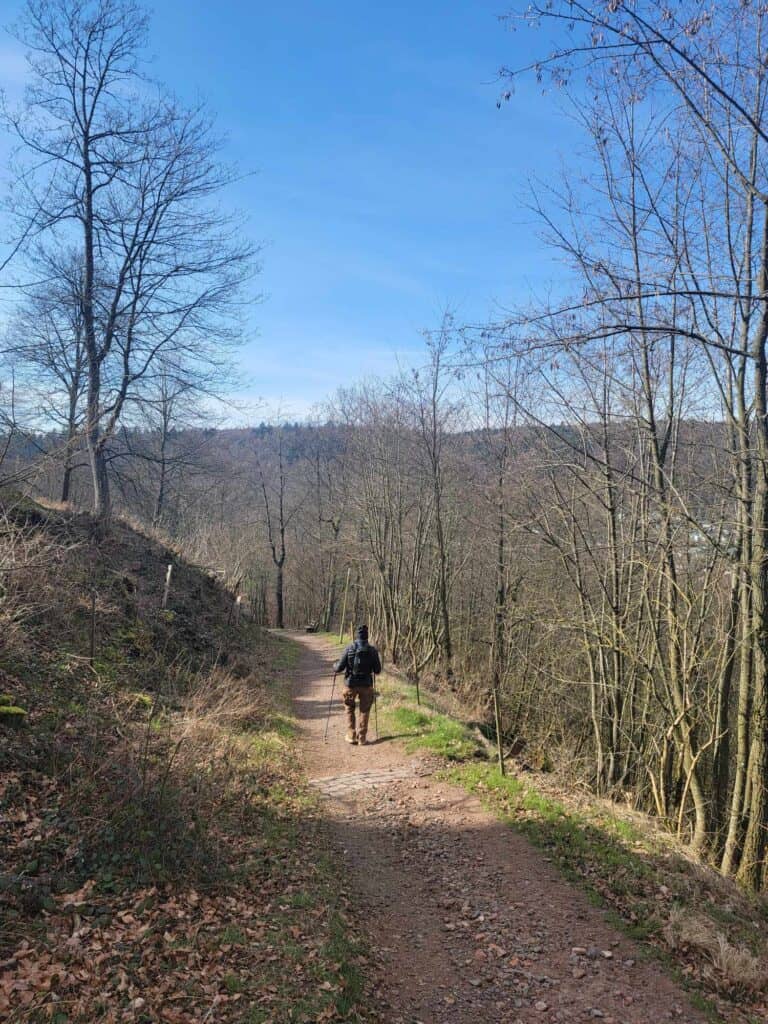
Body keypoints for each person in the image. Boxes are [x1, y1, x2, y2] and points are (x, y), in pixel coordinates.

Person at [333, 624, 382, 745]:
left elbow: (339, 668)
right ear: (367, 636)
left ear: (357, 635)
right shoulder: (372, 650)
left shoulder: (349, 648)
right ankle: (362, 738)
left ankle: (351, 735)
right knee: (364, 710)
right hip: (367, 685)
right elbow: (377, 670)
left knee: (349, 708)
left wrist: (334, 666)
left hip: (351, 684)